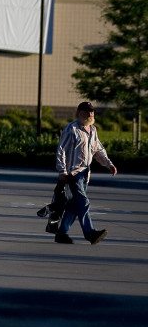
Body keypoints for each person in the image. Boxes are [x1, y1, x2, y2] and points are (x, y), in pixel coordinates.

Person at [53, 101, 118, 244]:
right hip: (73, 174)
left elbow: (98, 150)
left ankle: (61, 233)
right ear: (78, 113)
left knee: (74, 205)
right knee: (83, 202)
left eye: (92, 112)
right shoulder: (72, 129)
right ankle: (90, 233)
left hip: (85, 174)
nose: (90, 114)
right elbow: (61, 150)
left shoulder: (93, 130)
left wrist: (109, 164)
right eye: (86, 111)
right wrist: (62, 171)